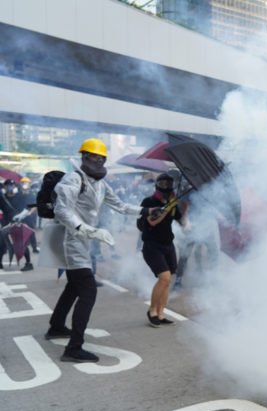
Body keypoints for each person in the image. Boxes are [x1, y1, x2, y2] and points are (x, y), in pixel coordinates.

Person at [44, 138, 154, 363]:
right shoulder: (73, 179)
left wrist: (147, 210)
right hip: (70, 241)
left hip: (84, 242)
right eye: (94, 157)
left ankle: (56, 326)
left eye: (102, 158)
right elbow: (62, 211)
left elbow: (120, 206)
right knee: (88, 290)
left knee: (73, 287)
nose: (98, 161)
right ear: (84, 157)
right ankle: (74, 348)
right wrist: (86, 230)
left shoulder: (100, 184)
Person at [138, 173, 185, 327]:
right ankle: (152, 311)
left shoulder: (172, 202)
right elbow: (152, 222)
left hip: (168, 244)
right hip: (152, 245)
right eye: (163, 183)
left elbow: (181, 221)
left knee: (167, 280)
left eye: (168, 183)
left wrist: (184, 208)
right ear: (157, 184)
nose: (166, 186)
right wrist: (166, 208)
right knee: (164, 277)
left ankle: (160, 313)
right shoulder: (149, 202)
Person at [2, 179, 35, 271]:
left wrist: (24, 214)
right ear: (4, 187)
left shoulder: (21, 196)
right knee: (2, 243)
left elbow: (31, 205)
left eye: (12, 185)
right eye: (7, 185)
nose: (10, 187)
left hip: (19, 223)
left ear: (15, 186)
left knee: (21, 244)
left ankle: (28, 263)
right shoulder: (2, 197)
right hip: (6, 223)